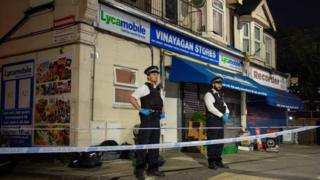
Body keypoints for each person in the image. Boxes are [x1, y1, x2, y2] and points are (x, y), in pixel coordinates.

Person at [129, 65, 165, 180]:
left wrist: (163, 112)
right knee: (143, 146)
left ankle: (153, 169)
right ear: (148, 76)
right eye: (153, 74)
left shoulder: (159, 89)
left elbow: (162, 103)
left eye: (157, 74)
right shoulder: (144, 88)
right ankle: (139, 170)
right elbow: (132, 98)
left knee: (155, 146)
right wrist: (140, 109)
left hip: (156, 118)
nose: (156, 76)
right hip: (147, 118)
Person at [204, 76, 230, 169]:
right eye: (218, 83)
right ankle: (211, 162)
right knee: (212, 142)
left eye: (220, 83)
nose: (219, 85)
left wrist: (227, 113)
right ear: (213, 84)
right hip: (212, 121)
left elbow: (225, 106)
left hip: (220, 121)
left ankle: (218, 161)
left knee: (220, 142)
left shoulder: (220, 95)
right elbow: (210, 108)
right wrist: (221, 115)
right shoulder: (209, 94)